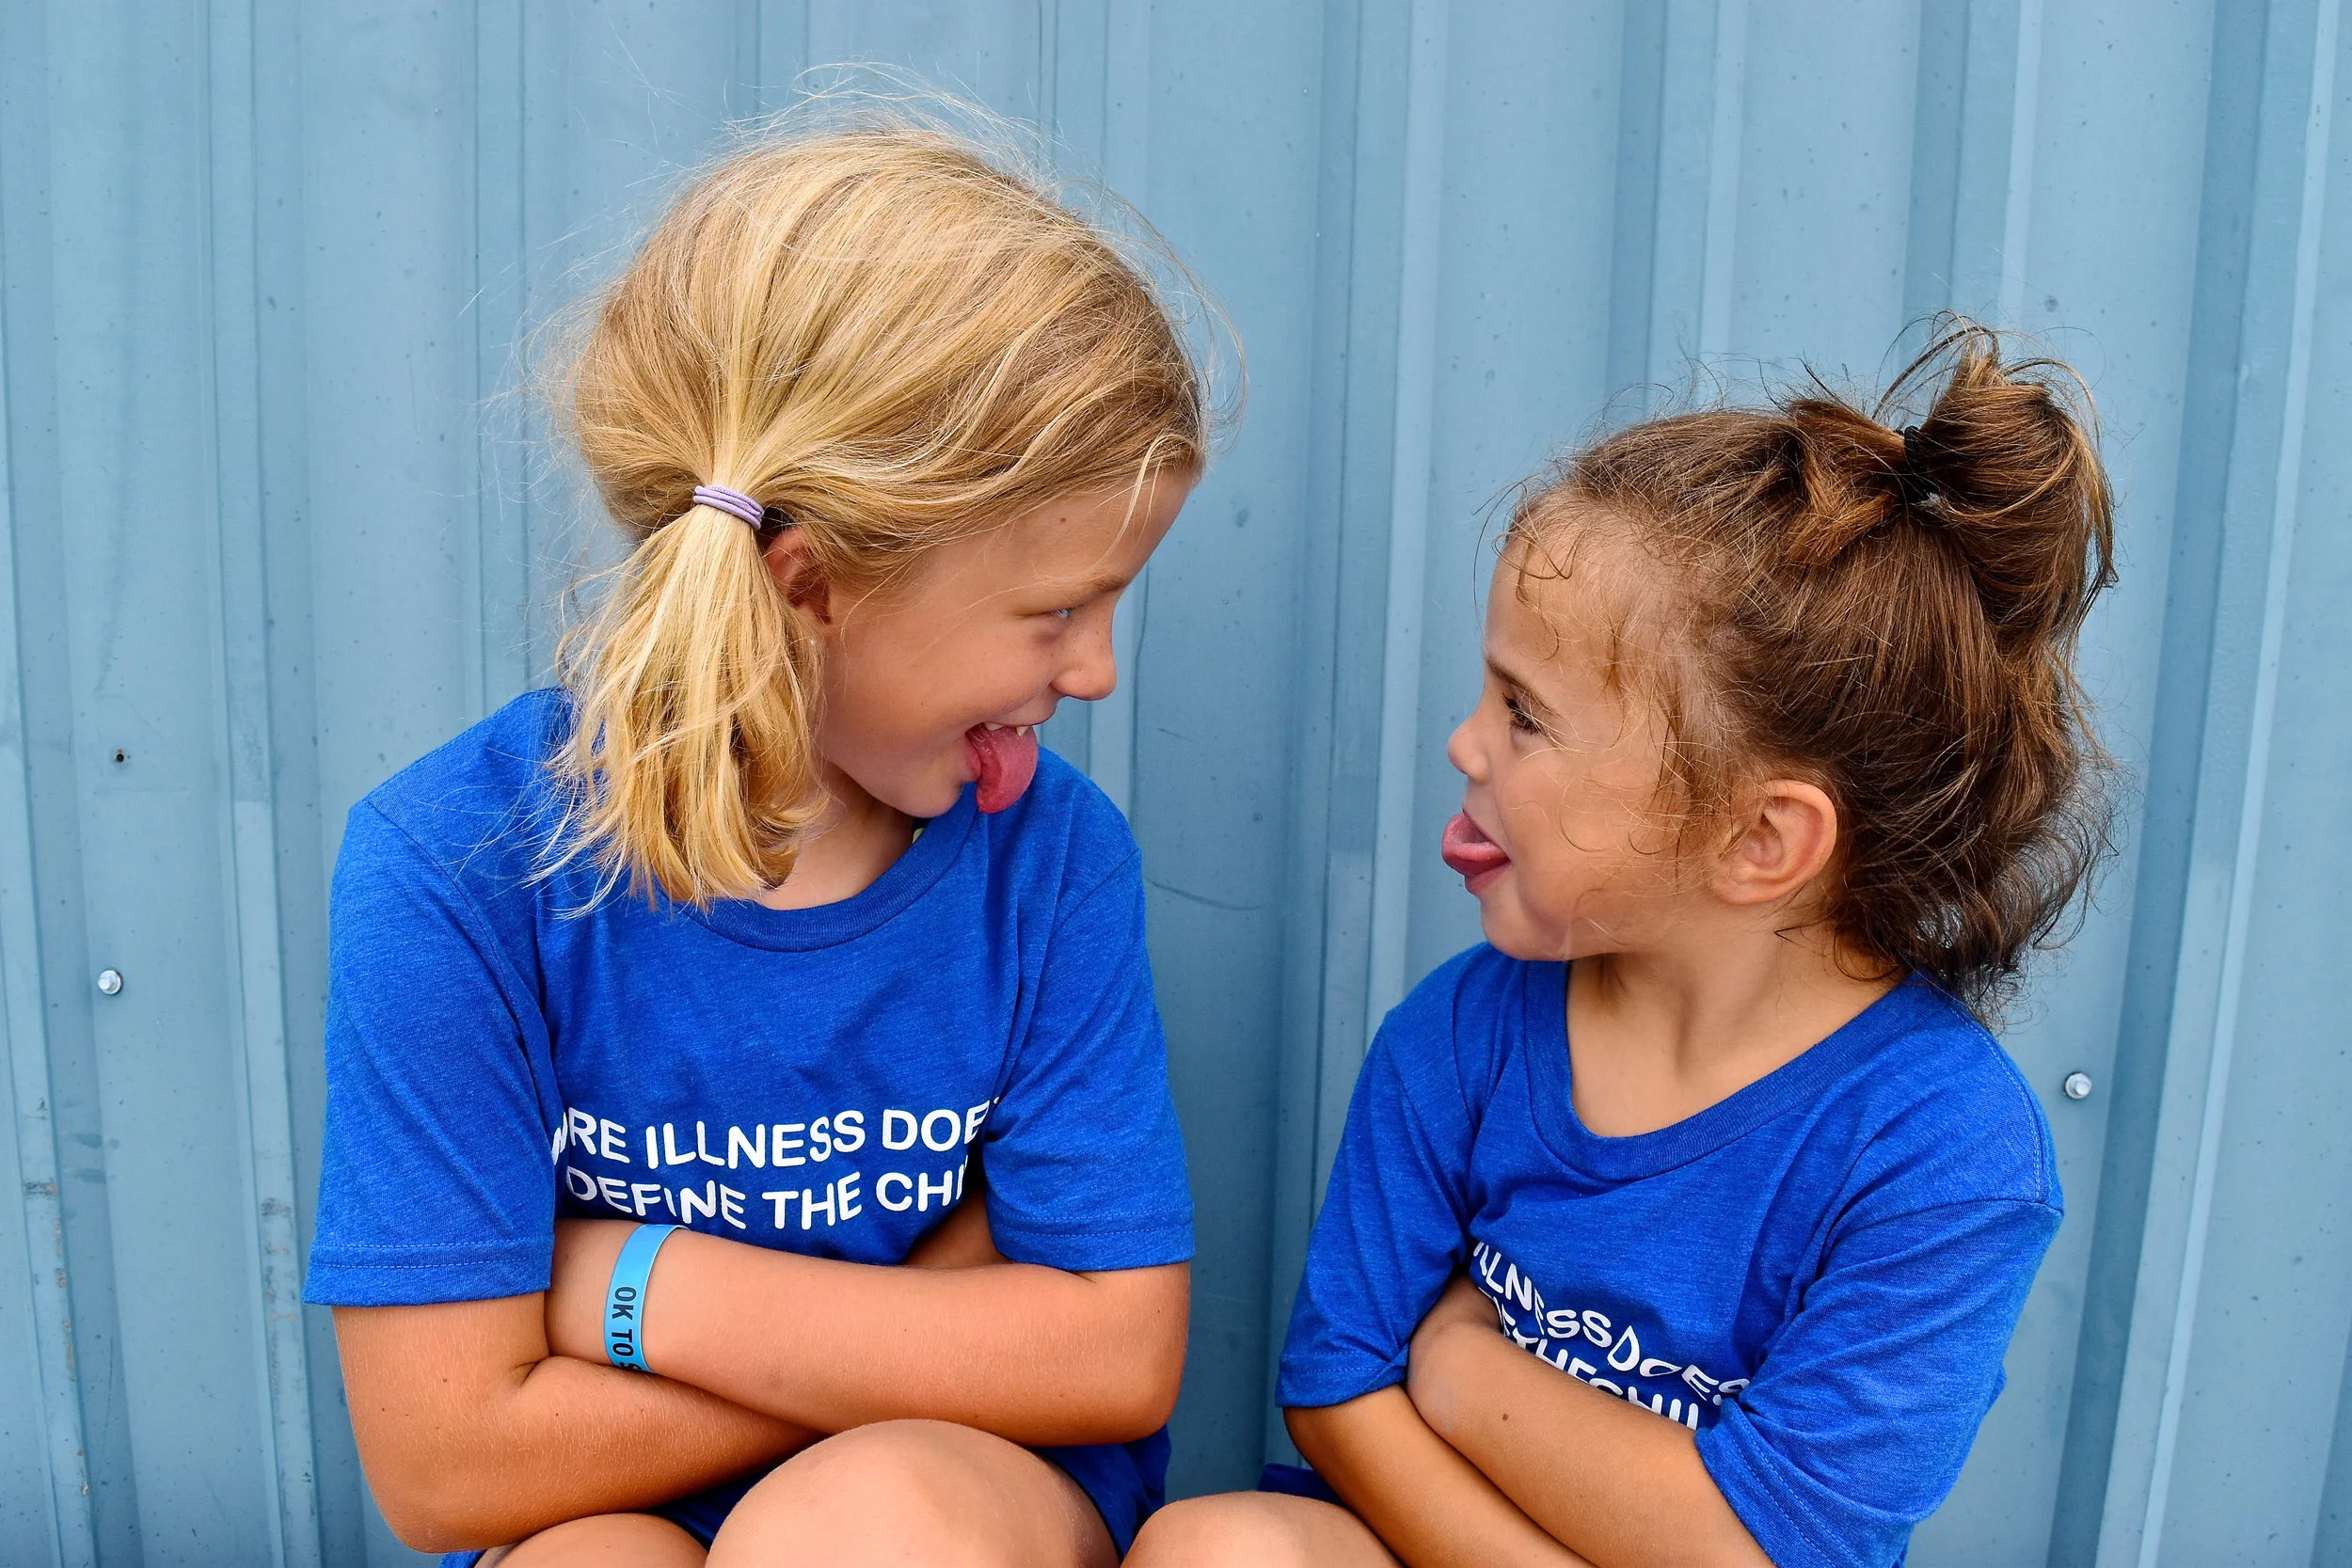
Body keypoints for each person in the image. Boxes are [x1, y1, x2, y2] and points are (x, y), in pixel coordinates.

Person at [303, 115, 1210, 1568]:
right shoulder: (456, 867)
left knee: (864, 1528)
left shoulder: (1050, 861)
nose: (1096, 670)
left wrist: (645, 1289)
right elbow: (447, 1457)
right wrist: (944, 1305)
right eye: (1056, 611)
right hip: (597, 1509)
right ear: (813, 585)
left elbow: (1113, 1353)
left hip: (957, 1490)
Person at [1131, 323, 2114, 1568]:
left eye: (1525, 714)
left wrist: (1461, 1362)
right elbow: (1335, 1388)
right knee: (1215, 1545)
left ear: (1759, 838)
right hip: (1393, 1539)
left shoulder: (1944, 1153)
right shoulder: (1462, 1032)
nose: (1464, 743)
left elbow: (1767, 1547)